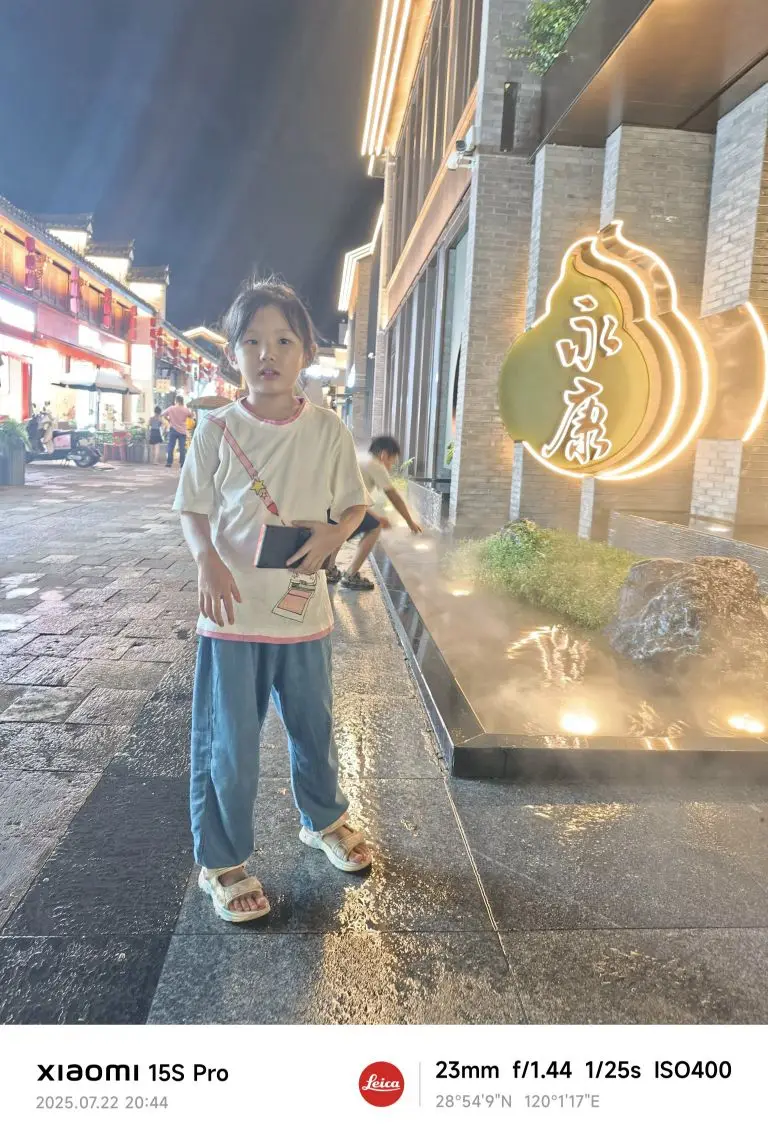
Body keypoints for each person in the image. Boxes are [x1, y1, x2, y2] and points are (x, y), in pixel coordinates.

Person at [174, 278, 372, 924]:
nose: (269, 353)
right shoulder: (217, 428)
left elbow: (354, 504)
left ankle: (324, 820)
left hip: (304, 615)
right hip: (232, 616)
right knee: (229, 745)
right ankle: (223, 861)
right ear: (233, 352)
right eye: (253, 340)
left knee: (314, 728)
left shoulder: (327, 429)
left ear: (306, 352)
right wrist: (206, 559)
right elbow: (192, 509)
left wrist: (335, 534)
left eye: (284, 340)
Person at [326, 435, 422, 591]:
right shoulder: (375, 465)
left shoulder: (361, 458)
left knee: (348, 526)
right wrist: (410, 522)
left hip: (333, 507)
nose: (390, 466)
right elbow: (393, 496)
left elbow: (356, 498)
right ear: (384, 455)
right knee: (374, 526)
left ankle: (329, 569)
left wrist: (376, 515)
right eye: (392, 461)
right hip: (342, 509)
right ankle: (350, 575)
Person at [164, 394, 191, 468]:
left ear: (176, 401)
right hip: (182, 431)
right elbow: (191, 415)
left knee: (171, 446)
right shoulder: (185, 409)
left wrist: (169, 419)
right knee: (182, 447)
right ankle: (182, 463)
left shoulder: (171, 408)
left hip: (173, 429)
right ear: (182, 401)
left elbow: (163, 414)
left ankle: (169, 462)